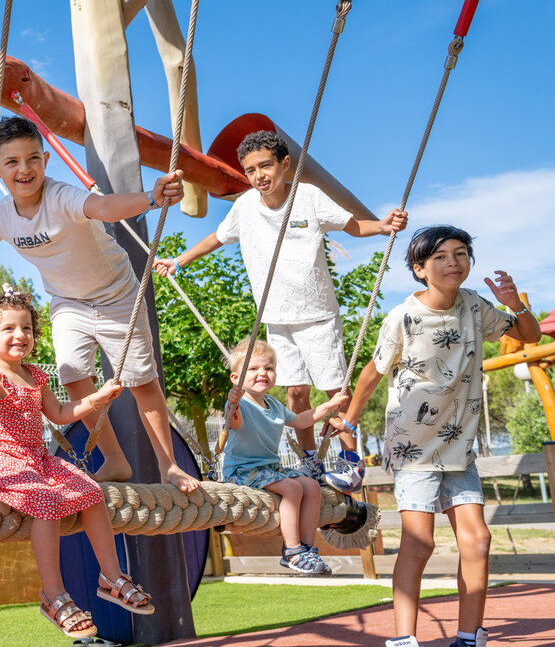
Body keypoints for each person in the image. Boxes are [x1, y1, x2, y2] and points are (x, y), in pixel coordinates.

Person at [0, 117, 199, 493]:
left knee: (141, 381)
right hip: (68, 302)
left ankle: (169, 466)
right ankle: (115, 459)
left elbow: (105, 207)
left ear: (46, 159)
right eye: (12, 162)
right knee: (74, 375)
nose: (24, 169)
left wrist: (151, 198)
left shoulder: (62, 197)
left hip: (117, 294)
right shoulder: (0, 214)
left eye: (33, 158)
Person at [331, 226, 540, 647]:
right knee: (420, 542)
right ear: (419, 268)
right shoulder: (402, 316)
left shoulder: (474, 306)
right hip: (413, 446)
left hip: (457, 445)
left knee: (479, 541)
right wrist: (347, 421)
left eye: (462, 254)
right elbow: (371, 373)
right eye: (441, 256)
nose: (454, 262)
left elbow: (530, 335)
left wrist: (514, 303)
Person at [155, 130, 407, 470]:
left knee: (335, 390)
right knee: (296, 392)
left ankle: (349, 456)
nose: (259, 176)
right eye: (251, 170)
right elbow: (218, 237)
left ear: (285, 165)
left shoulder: (307, 197)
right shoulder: (245, 206)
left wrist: (383, 225)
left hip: (317, 315)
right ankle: (310, 460)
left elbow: (352, 227)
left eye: (266, 166)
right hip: (276, 316)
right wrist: (178, 261)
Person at [0, 290, 155, 639]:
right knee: (46, 503)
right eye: (9, 329)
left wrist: (96, 397)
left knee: (91, 492)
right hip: (2, 462)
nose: (21, 335)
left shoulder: (35, 376)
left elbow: (61, 414)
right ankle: (53, 594)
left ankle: (112, 576)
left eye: (27, 328)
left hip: (37, 459)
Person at [221, 337, 349, 576]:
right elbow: (233, 422)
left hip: (269, 468)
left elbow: (301, 420)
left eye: (269, 368)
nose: (263, 373)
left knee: (311, 485)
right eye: (254, 368)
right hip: (243, 470)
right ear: (236, 379)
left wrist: (330, 405)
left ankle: (308, 548)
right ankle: (292, 550)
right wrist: (232, 402)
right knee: (293, 489)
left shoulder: (274, 405)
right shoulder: (241, 404)